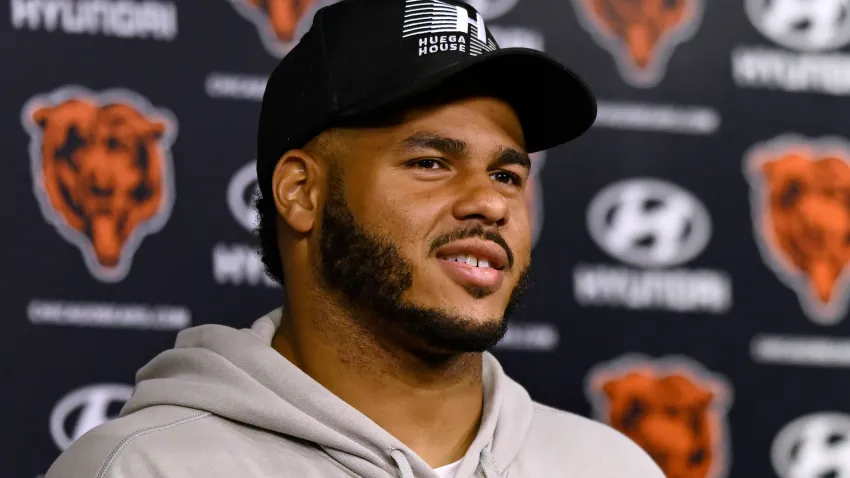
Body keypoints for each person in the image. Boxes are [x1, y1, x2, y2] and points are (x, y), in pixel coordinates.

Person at [46, 0, 665, 477]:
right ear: (300, 193)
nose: (490, 202)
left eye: (507, 174)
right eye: (430, 163)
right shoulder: (147, 468)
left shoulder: (609, 466)